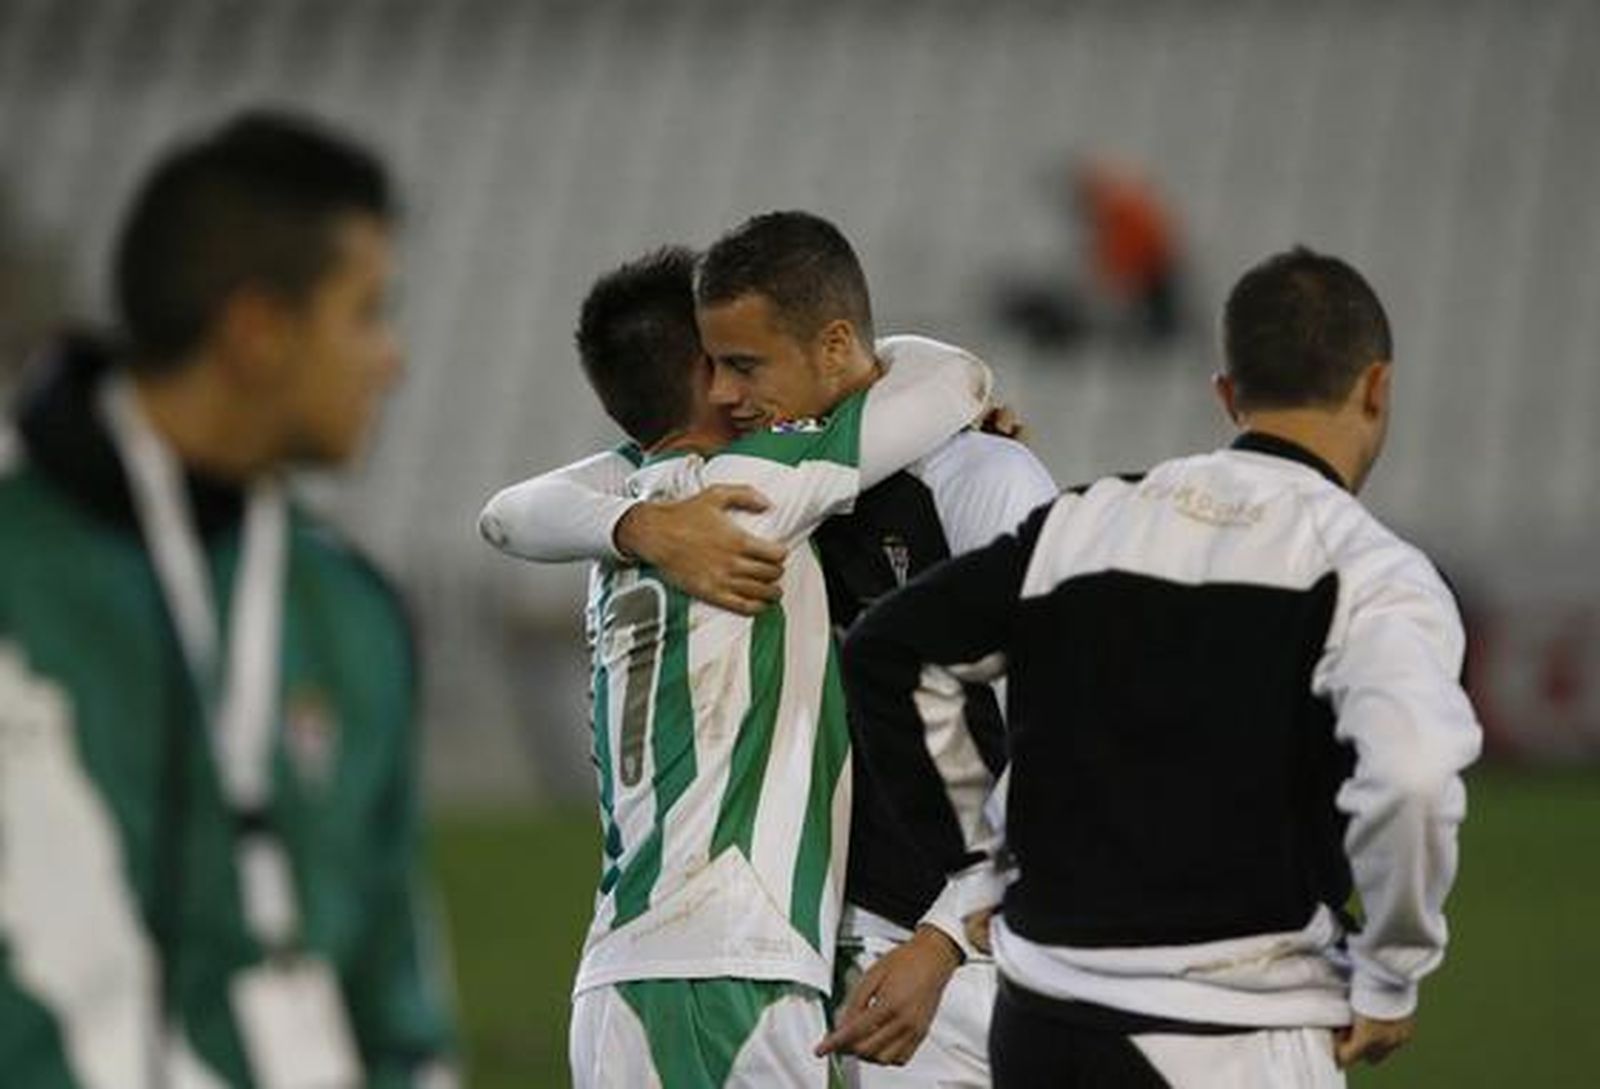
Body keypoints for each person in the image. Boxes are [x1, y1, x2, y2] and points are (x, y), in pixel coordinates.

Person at [841, 247, 1483, 1087]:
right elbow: (1413, 774)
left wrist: (981, 859)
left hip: (1044, 1021)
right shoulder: (1373, 573)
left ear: (1227, 394)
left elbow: (891, 649)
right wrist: (1394, 968)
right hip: (1231, 1030)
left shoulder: (1089, 520)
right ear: (1376, 388)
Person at [483, 211, 1057, 1087]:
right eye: (718, 365)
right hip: (762, 963)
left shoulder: (978, 482)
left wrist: (946, 935)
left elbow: (1068, 734)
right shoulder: (758, 492)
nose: (733, 393)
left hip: (922, 967)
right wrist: (640, 524)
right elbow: (950, 375)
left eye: (746, 363)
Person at [0, 112, 457, 1089]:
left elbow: (395, 1007)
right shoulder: (20, 565)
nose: (392, 360)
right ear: (256, 331)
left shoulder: (351, 613)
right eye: (367, 313)